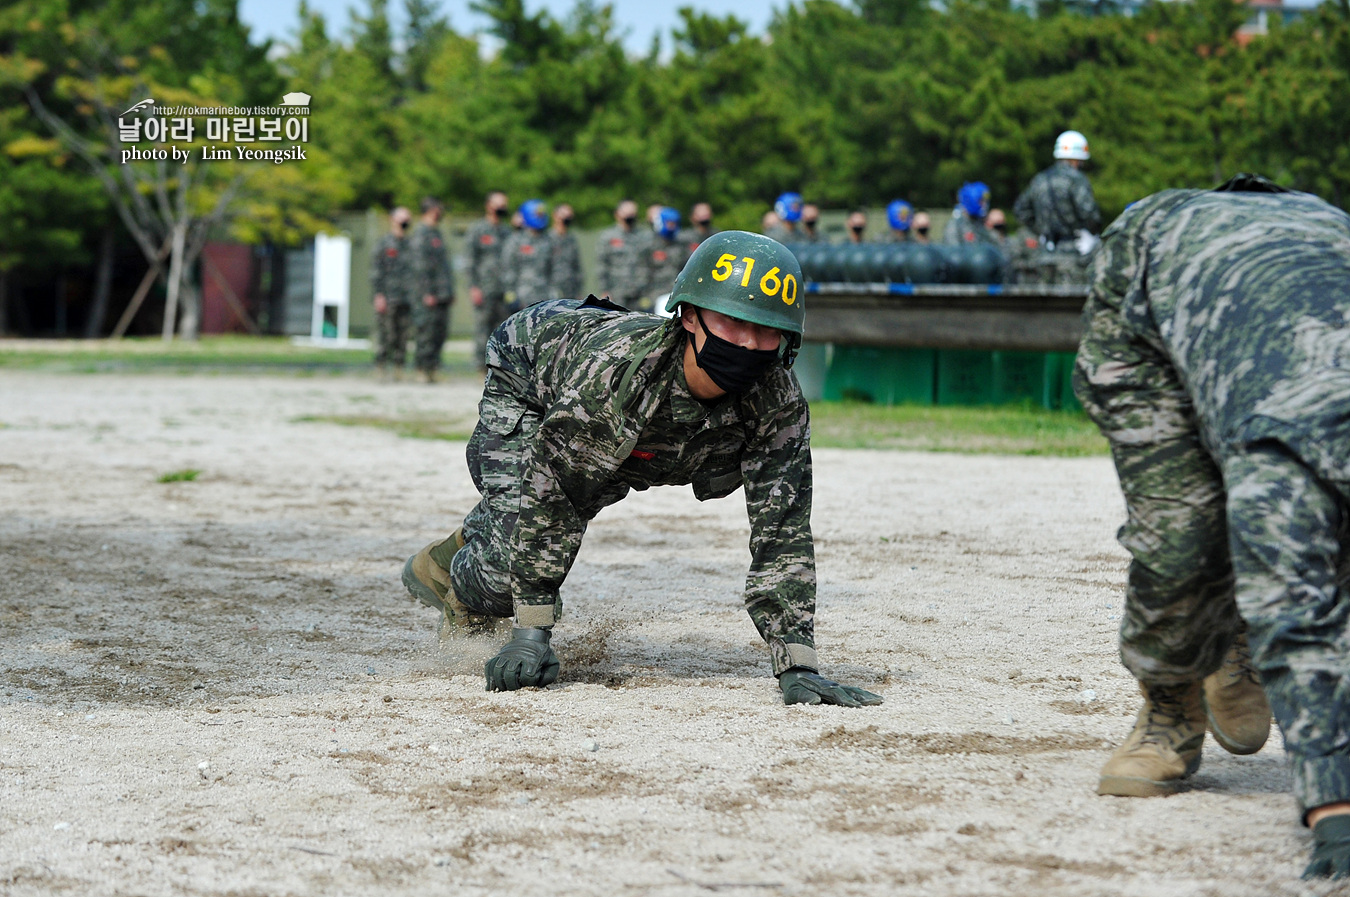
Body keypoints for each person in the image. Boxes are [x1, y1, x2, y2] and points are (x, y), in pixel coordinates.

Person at [401, 231, 884, 707]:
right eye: (734, 322)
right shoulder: (614, 383)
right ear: (690, 317)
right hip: (532, 373)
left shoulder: (777, 400)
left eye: (767, 329)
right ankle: (450, 573)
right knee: (511, 565)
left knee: (569, 495)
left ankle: (477, 541)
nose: (751, 343)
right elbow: (555, 496)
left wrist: (796, 661)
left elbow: (784, 530)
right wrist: (532, 631)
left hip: (633, 424)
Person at [1076, 174, 1350, 880]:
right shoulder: (1298, 428)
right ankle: (1169, 708)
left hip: (1294, 257)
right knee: (1185, 535)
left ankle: (1236, 644)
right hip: (1149, 288)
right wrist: (1336, 812)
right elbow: (1301, 608)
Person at [1014, 130, 1102, 284]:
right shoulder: (1077, 180)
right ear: (1077, 159)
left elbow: (1020, 210)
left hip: (1043, 254)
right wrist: (1089, 233)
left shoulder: (1040, 179)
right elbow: (1090, 214)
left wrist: (1040, 230)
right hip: (1073, 256)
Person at [409, 197, 454, 383]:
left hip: (442, 293)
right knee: (425, 332)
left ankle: (433, 368)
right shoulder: (421, 234)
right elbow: (420, 267)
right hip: (428, 294)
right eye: (439, 209)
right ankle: (421, 368)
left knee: (439, 332)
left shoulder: (436, 233)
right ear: (431, 210)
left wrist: (449, 290)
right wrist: (426, 292)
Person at [465, 191, 512, 371]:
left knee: (503, 332)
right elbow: (470, 261)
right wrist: (473, 287)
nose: (502, 208)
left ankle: (499, 371)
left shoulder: (507, 232)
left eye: (504, 204)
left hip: (504, 290)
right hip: (484, 289)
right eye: (498, 204)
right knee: (482, 331)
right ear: (488, 206)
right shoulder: (478, 230)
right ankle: (480, 369)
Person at [369, 206, 413, 381]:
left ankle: (398, 368)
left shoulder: (411, 244)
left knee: (403, 336)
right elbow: (375, 271)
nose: (405, 222)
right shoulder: (384, 243)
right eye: (401, 218)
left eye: (407, 218)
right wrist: (378, 294)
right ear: (392, 220)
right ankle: (381, 367)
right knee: (385, 334)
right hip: (388, 296)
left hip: (407, 297)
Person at [501, 199, 553, 313]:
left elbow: (553, 269)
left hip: (545, 298)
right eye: (537, 214)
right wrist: (510, 294)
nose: (540, 216)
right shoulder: (515, 241)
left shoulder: (549, 241)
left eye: (542, 214)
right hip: (522, 298)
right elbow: (508, 269)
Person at [595, 199, 646, 308]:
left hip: (639, 292)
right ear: (617, 214)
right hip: (616, 292)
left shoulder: (644, 236)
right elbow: (602, 265)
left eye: (633, 213)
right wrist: (605, 290)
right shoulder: (608, 236)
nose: (630, 216)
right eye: (627, 213)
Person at [639, 206, 690, 311]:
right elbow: (641, 273)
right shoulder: (648, 245)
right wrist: (645, 297)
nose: (671, 227)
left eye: (674, 223)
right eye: (669, 223)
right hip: (654, 296)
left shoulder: (682, 245)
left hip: (676, 295)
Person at [549, 203, 582, 301]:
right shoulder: (547, 239)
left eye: (569, 215)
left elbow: (577, 267)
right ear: (555, 216)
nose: (567, 218)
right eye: (564, 215)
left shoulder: (571, 239)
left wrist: (578, 291)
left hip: (570, 291)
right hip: (551, 291)